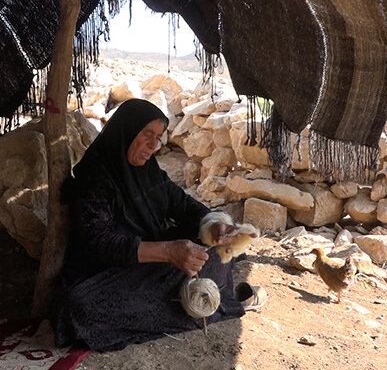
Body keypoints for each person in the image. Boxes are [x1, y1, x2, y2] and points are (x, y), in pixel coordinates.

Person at [52, 99, 250, 352]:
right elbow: (98, 243)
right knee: (80, 307)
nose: (153, 145)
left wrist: (214, 226)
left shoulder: (150, 172)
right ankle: (199, 300)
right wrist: (168, 252)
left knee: (215, 251)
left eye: (158, 137)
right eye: (147, 135)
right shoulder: (95, 178)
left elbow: (184, 205)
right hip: (109, 271)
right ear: (126, 131)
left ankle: (187, 299)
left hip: (152, 265)